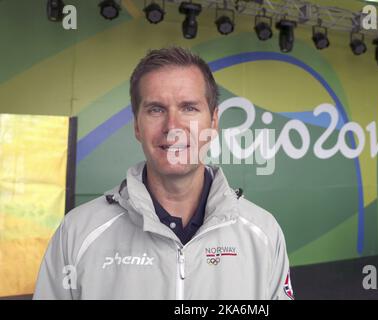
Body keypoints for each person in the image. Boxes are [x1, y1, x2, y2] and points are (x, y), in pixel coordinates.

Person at [33, 46, 294, 300]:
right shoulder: (78, 232)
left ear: (213, 122)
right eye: (156, 109)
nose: (173, 127)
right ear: (137, 125)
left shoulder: (264, 232)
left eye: (189, 108)